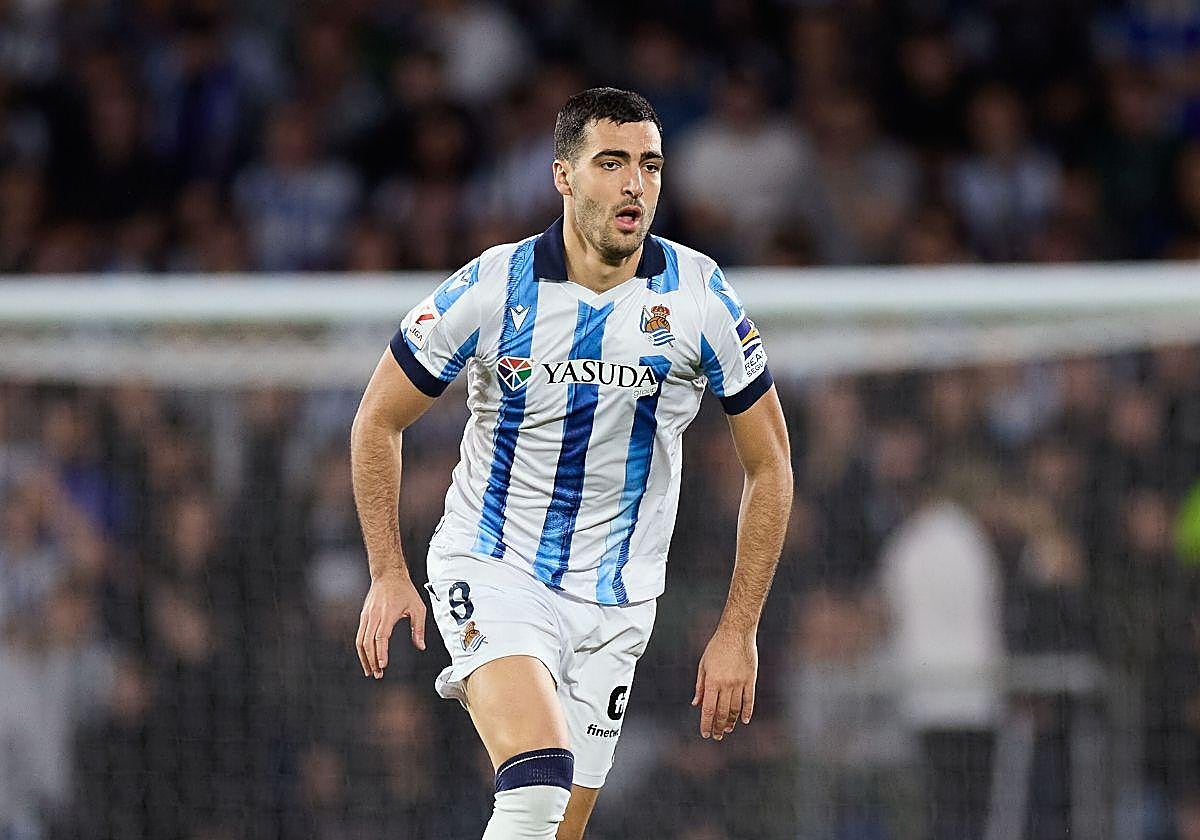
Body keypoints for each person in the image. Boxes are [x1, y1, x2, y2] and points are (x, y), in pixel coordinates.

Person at [350, 88, 793, 840]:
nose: (634, 184)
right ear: (562, 175)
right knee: (537, 781)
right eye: (611, 162)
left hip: (618, 605)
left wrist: (738, 628)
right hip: (494, 567)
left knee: (557, 829)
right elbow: (378, 417)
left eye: (650, 165)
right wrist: (388, 570)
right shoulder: (495, 284)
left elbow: (772, 466)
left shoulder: (699, 294)